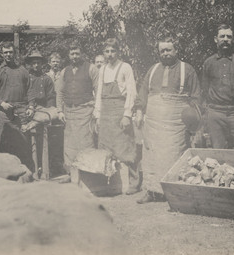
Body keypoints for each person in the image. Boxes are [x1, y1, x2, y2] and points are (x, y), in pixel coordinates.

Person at [134, 37, 201, 204]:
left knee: (174, 155)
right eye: (162, 50)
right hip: (154, 121)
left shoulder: (188, 70)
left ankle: (174, 192)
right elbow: (143, 93)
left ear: (175, 50)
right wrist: (139, 110)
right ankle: (151, 191)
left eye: (168, 50)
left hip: (175, 123)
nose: (165, 53)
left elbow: (196, 97)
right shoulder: (153, 69)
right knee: (151, 156)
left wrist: (193, 122)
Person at [94, 38, 140, 194]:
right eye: (107, 51)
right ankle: (111, 183)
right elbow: (99, 93)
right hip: (106, 113)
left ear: (118, 52)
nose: (110, 54)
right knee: (106, 148)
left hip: (120, 111)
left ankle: (134, 182)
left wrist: (127, 115)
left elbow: (132, 92)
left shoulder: (125, 67)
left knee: (126, 146)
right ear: (103, 53)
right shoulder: (102, 69)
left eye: (113, 51)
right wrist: (98, 115)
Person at [202, 24, 234, 149]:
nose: (225, 39)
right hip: (216, 113)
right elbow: (205, 87)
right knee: (218, 151)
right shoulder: (208, 63)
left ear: (233, 39)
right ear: (216, 39)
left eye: (229, 36)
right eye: (222, 36)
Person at [56, 42, 99, 181]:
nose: (75, 56)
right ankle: (71, 174)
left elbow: (98, 91)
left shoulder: (91, 69)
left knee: (86, 143)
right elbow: (60, 92)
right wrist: (59, 111)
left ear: (82, 54)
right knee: (70, 145)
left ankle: (87, 175)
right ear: (69, 55)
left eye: (77, 53)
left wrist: (97, 110)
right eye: (72, 54)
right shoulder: (64, 71)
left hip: (86, 111)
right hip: (69, 112)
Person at [0, 41, 33, 169]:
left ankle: (23, 173)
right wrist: (2, 103)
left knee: (22, 144)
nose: (8, 55)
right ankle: (3, 173)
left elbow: (30, 90)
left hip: (21, 112)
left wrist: (31, 106)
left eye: (10, 52)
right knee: (2, 144)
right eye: (5, 52)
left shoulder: (23, 70)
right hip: (4, 113)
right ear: (2, 54)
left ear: (15, 53)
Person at [45, 51, 66, 176]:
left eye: (57, 62)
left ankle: (60, 165)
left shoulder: (63, 75)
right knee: (50, 136)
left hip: (61, 108)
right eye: (53, 62)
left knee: (61, 137)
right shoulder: (46, 76)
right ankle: (50, 166)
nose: (55, 64)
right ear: (49, 63)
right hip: (50, 108)